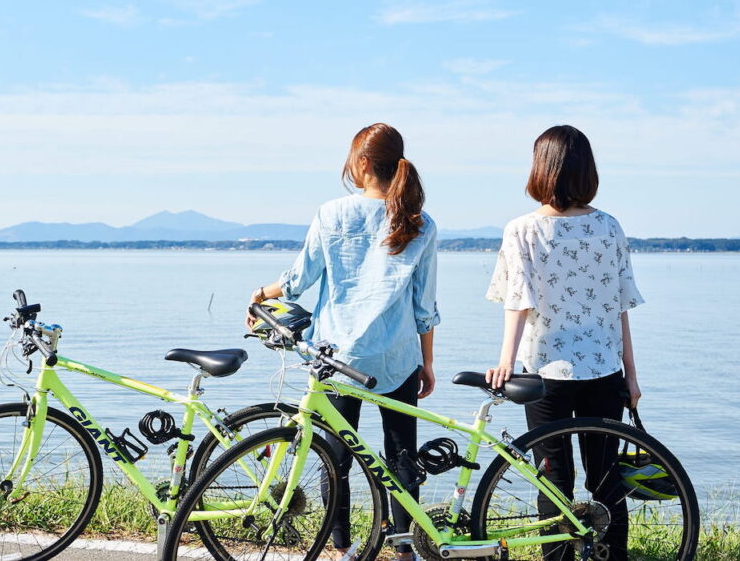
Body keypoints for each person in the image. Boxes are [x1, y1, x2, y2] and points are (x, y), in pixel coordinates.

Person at [246, 122, 439, 561]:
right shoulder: (420, 222)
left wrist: (261, 293)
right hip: (398, 357)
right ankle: (404, 549)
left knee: (336, 457)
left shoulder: (333, 213)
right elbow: (424, 306)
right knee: (401, 455)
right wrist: (427, 363)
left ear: (363, 162)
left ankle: (342, 547)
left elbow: (297, 281)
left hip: (337, 356)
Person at [485, 124, 644, 561]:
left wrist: (504, 363)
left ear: (541, 168)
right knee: (606, 479)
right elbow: (620, 305)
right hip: (604, 369)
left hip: (543, 373)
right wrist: (632, 375)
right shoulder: (609, 226)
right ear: (586, 170)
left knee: (553, 479)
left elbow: (517, 302)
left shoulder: (522, 229)